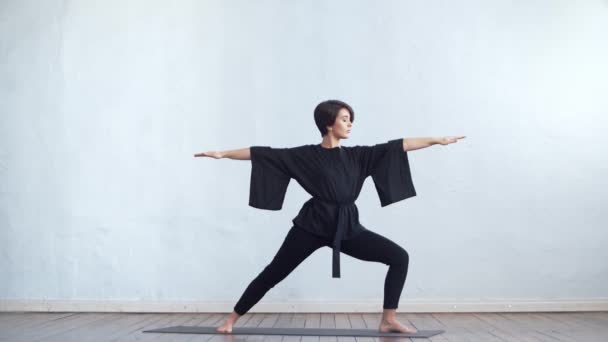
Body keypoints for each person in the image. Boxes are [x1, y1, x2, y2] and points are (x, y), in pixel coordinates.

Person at [194, 100, 465, 334]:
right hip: (311, 226)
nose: (350, 124)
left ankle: (388, 320)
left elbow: (397, 146)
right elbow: (262, 154)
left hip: (347, 227)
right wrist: (223, 153)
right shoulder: (305, 156)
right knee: (274, 272)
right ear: (328, 123)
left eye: (351, 120)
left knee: (399, 257)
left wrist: (435, 141)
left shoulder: (359, 155)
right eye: (345, 119)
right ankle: (231, 319)